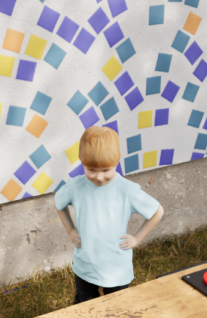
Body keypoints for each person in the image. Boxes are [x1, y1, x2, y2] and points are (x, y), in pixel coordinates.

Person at [55, 126, 164, 303]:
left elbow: (157, 212)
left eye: (106, 170)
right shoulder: (76, 186)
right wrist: (71, 230)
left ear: (117, 161)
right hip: (85, 265)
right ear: (82, 162)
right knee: (85, 305)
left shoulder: (126, 190)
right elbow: (59, 203)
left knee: (116, 308)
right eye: (91, 169)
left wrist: (136, 239)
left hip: (116, 269)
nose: (99, 177)